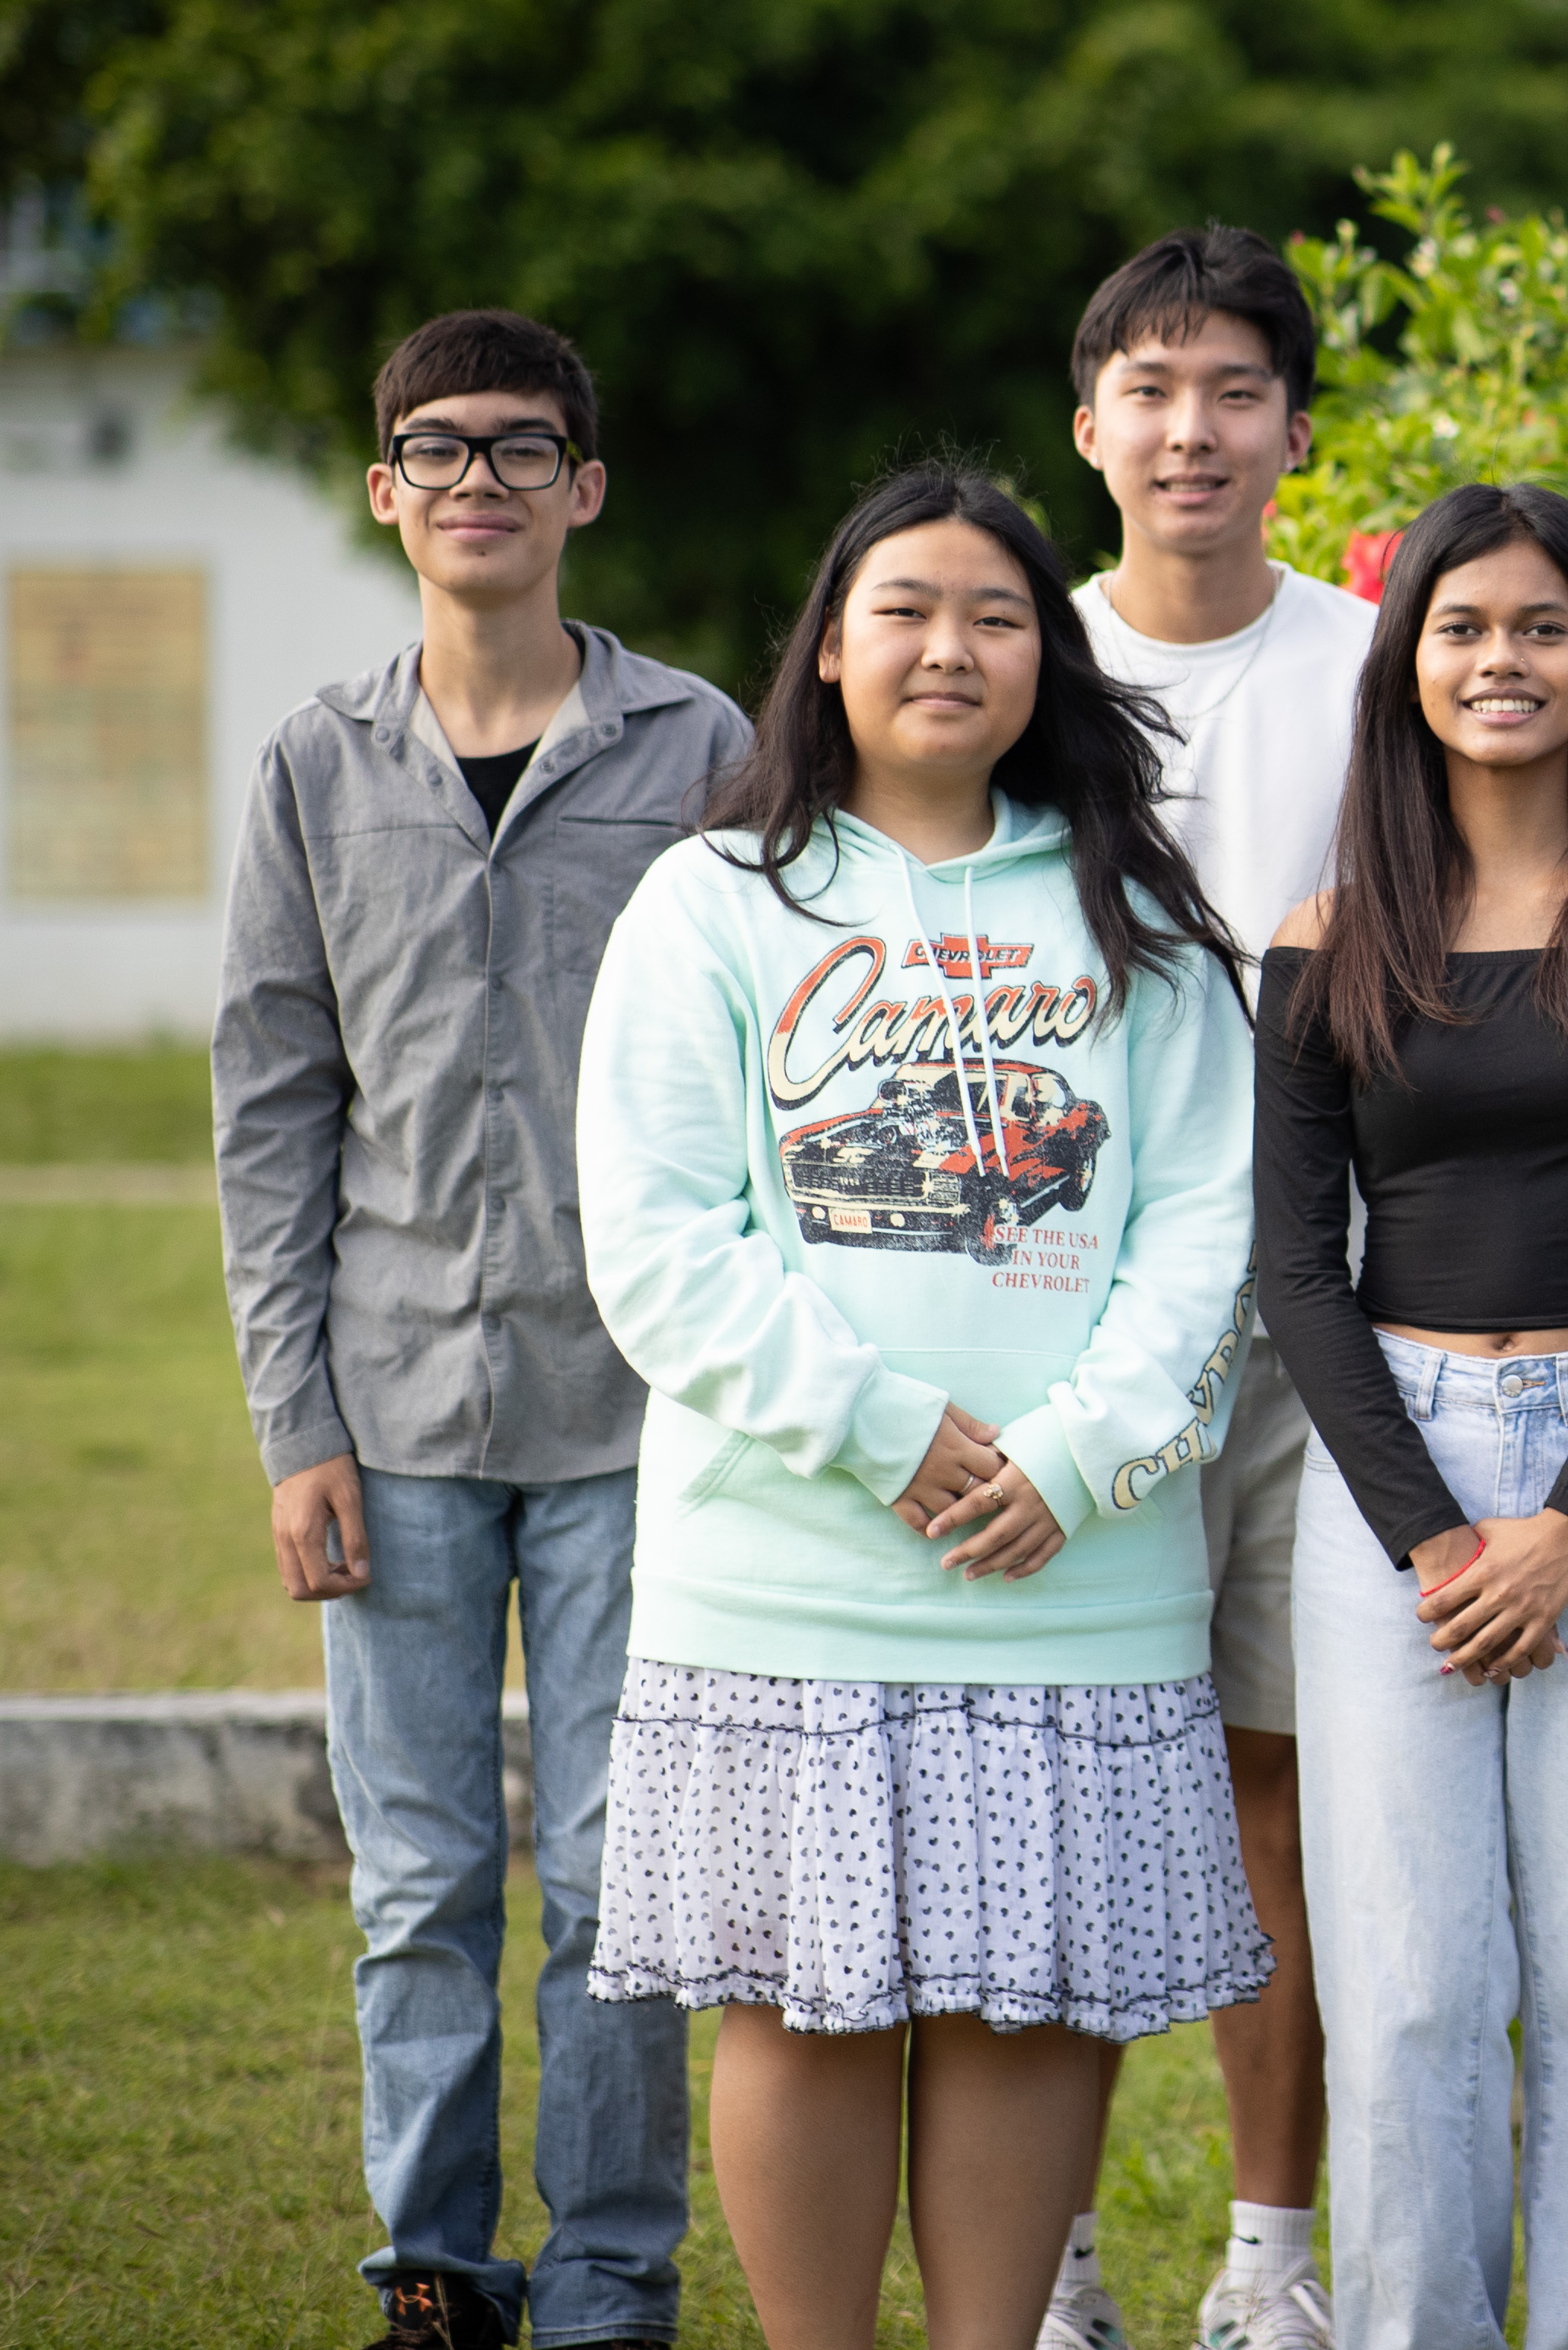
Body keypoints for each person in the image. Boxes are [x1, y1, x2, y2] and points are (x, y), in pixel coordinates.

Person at [574, 463, 1267, 2350]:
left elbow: (1211, 1234)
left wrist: (1074, 1456)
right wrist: (886, 1432)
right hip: (785, 1577)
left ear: (1049, 657)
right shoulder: (715, 903)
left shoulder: (1141, 919)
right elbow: (656, 1242)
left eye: (996, 613)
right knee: (803, 2008)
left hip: (1076, 1582)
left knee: (1020, 2004)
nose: (949, 646)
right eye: (904, 607)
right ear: (829, 646)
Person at [214, 307, 740, 2350]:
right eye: (439, 449)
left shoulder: (698, 750)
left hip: (642, 1413)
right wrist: (294, 1425)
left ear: (583, 488)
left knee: (619, 1882)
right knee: (419, 1880)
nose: (481, 482)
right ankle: (435, 2270)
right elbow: (274, 1107)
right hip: (395, 1408)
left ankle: (609, 2280)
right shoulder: (313, 763)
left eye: (525, 449)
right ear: (388, 492)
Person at [1258, 481, 1568, 2348]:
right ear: (1408, 664)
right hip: (1392, 1471)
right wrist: (1436, 1533)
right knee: (1405, 1979)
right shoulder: (1329, 938)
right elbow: (1294, 1266)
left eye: (1543, 626)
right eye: (1463, 627)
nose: (1502, 660)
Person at [1058, 219, 1375, 2350]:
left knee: (1278, 1778)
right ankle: (1051, 2260)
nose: (1192, 429)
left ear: (1293, 432)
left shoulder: (1376, 663)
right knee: (1076, 1773)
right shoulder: (1020, 654)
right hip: (1063, 1311)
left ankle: (1271, 2258)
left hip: (1318, 1297)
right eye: (1152, 390)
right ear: (1090, 429)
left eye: (1234, 390)